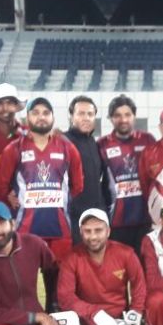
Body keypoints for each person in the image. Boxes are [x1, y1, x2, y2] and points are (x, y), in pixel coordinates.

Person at [2, 96, 84, 310]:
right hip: (26, 230)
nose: (41, 117)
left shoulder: (67, 148)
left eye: (45, 113)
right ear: (27, 117)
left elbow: (78, 185)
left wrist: (58, 202)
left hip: (60, 230)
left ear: (53, 117)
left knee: (57, 289)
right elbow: (0, 185)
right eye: (35, 113)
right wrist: (10, 198)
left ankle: (57, 322)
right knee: (24, 283)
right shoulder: (15, 148)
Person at [57, 209, 148, 325]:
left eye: (98, 230)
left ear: (108, 231)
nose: (93, 237)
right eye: (87, 231)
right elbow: (65, 297)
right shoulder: (72, 258)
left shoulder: (125, 253)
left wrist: (135, 315)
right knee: (64, 321)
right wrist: (95, 313)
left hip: (118, 321)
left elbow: (139, 286)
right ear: (81, 232)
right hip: (86, 321)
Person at [98, 94, 155, 252]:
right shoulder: (102, 145)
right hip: (117, 222)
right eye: (117, 115)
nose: (123, 119)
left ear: (134, 116)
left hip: (145, 220)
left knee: (144, 271)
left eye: (127, 115)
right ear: (110, 118)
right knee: (118, 273)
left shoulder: (147, 140)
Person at [65, 95, 109, 244]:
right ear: (72, 116)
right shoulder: (63, 142)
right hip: (74, 216)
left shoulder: (94, 143)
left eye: (90, 114)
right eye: (81, 113)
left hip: (96, 215)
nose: (86, 118)